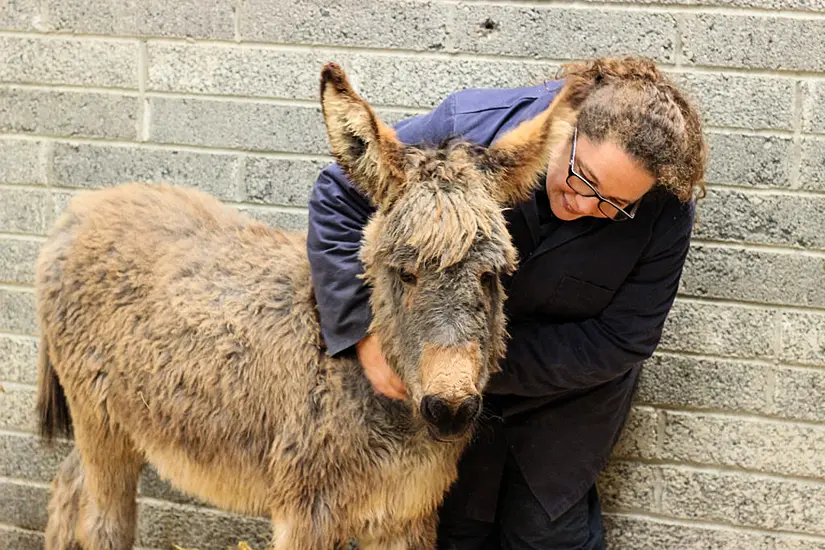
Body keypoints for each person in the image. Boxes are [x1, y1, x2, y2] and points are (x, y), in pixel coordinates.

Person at [306, 55, 707, 550]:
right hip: (443, 385)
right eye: (583, 180)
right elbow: (337, 196)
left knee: (547, 532)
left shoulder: (664, 203)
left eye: (613, 206)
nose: (585, 207)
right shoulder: (468, 127)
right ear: (566, 129)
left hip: (568, 392)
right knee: (453, 528)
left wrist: (472, 364)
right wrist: (363, 335)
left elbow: (624, 339)